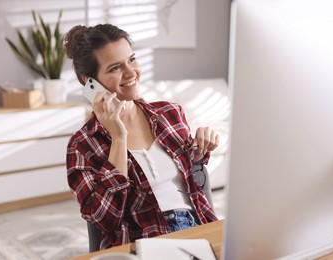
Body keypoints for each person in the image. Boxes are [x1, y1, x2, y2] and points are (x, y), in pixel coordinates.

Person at [64, 24, 220, 250]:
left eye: (132, 59)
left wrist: (199, 152)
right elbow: (104, 219)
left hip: (199, 230)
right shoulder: (82, 145)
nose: (131, 73)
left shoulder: (170, 113)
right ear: (90, 82)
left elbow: (192, 183)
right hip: (144, 244)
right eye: (115, 67)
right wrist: (119, 138)